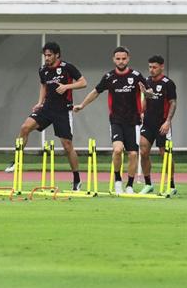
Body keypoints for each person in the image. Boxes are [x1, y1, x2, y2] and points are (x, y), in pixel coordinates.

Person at [8, 42, 87, 191]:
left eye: (49, 55)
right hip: (46, 108)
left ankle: (77, 179)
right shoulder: (43, 70)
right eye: (45, 55)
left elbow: (83, 83)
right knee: (25, 127)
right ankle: (16, 161)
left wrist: (66, 87)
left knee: (67, 145)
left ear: (57, 55)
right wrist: (39, 102)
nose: (47, 58)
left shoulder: (67, 67)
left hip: (63, 110)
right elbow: (43, 85)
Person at [73, 46, 147, 194]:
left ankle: (130, 185)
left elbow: (149, 93)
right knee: (118, 150)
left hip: (133, 121)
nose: (121, 61)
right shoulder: (109, 77)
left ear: (128, 59)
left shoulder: (137, 76)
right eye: (118, 59)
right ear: (114, 59)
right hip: (116, 120)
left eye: (123, 58)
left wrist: (147, 94)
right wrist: (82, 105)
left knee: (133, 154)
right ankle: (118, 180)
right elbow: (95, 92)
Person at [138, 55, 177, 195]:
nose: (152, 70)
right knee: (143, 151)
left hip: (162, 123)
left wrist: (168, 121)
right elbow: (146, 99)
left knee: (164, 154)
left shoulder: (168, 83)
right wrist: (142, 111)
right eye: (150, 67)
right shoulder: (147, 81)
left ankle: (171, 185)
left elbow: (173, 102)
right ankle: (148, 183)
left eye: (154, 67)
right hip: (148, 123)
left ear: (161, 67)